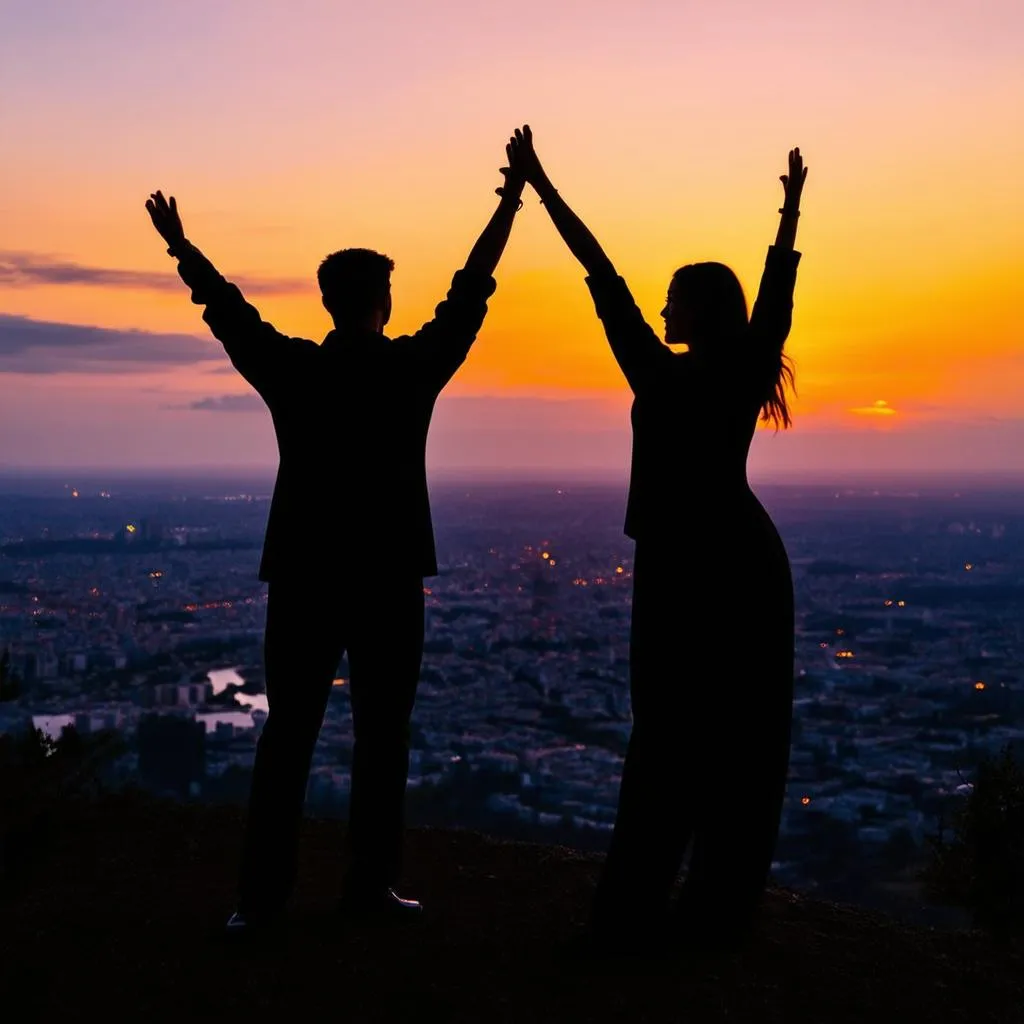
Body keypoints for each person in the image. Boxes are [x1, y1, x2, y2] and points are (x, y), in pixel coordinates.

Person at [144, 141, 526, 937]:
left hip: (306, 574)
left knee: (289, 735)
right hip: (388, 576)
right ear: (383, 301)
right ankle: (369, 888)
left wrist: (183, 249)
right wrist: (509, 202)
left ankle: (261, 899)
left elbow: (230, 314)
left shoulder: (294, 371)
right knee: (383, 738)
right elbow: (471, 291)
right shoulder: (410, 369)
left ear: (325, 303)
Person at [509, 125, 806, 950]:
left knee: (670, 735)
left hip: (686, 567)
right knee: (733, 737)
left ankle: (637, 910)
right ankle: (707, 909)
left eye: (676, 295)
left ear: (702, 308)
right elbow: (767, 304)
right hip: (739, 560)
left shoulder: (665, 371)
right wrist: (787, 218)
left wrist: (540, 186)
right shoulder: (735, 371)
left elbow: (600, 273)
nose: (663, 305)